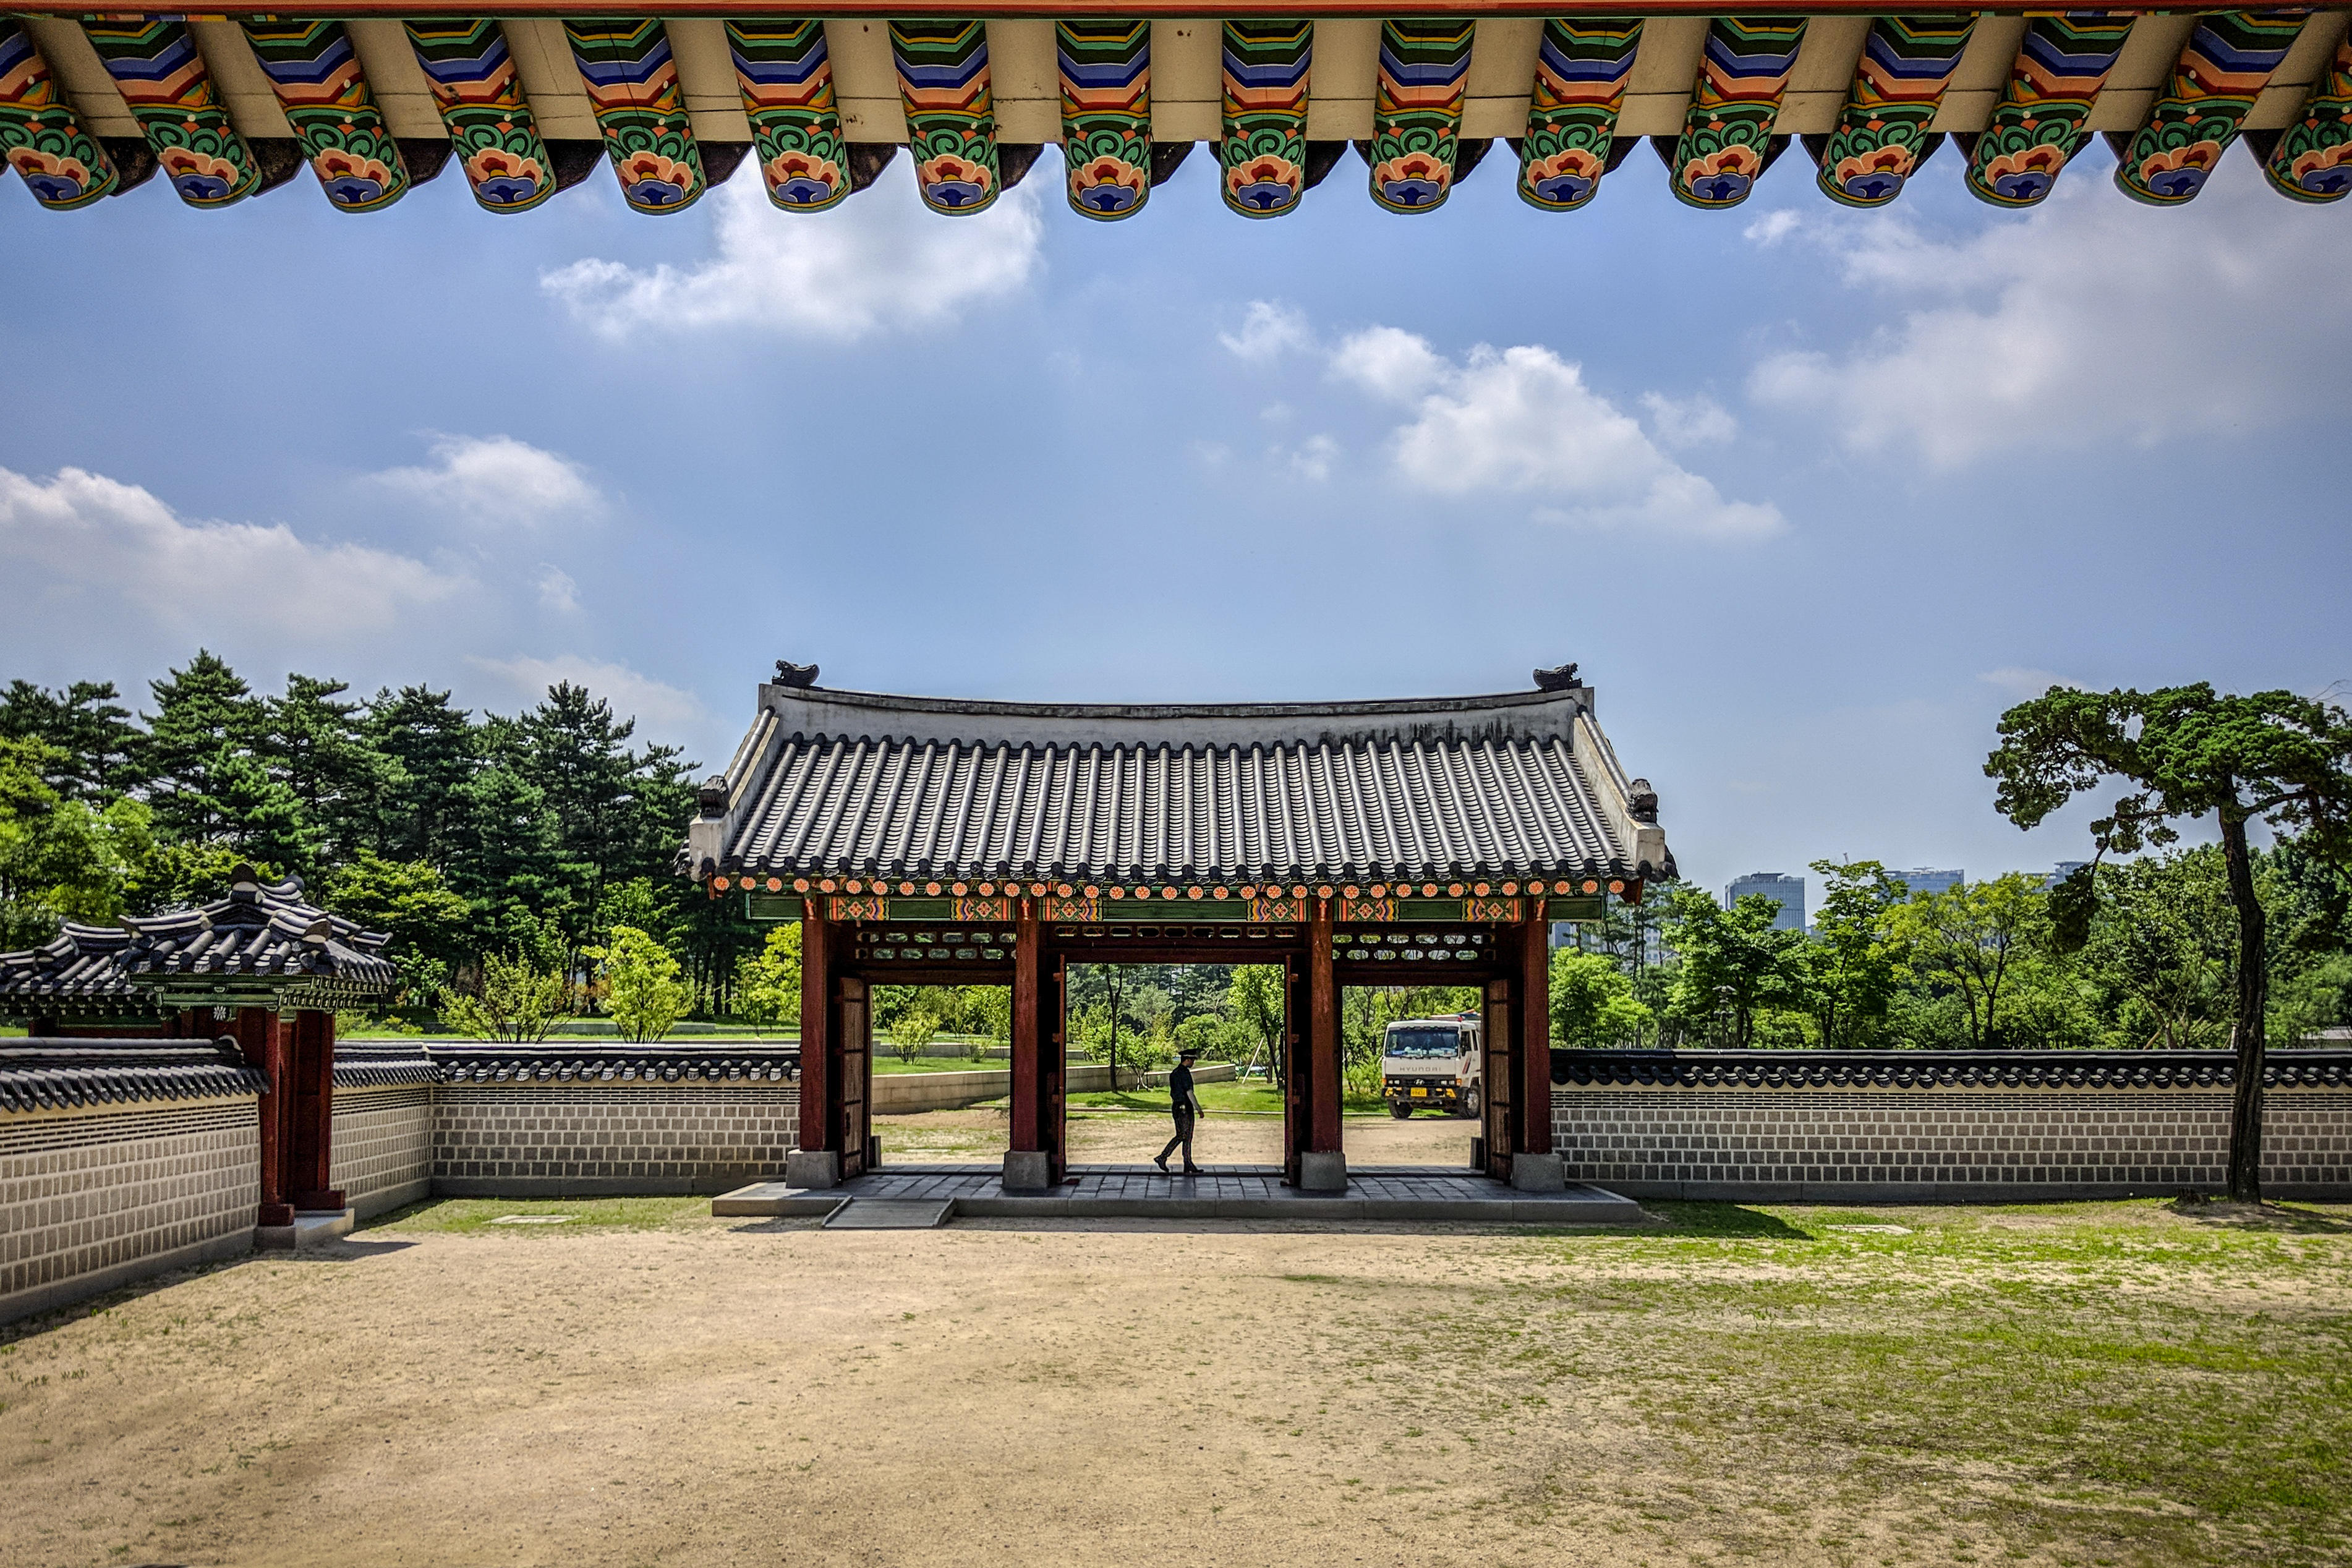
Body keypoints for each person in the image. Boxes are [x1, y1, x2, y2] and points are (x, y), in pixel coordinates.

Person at [1154, 1048, 1206, 1175]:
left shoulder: (1175, 1073)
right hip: (1185, 1109)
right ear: (1187, 1060)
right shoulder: (1185, 1074)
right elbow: (1189, 1093)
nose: (1193, 1063)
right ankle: (1163, 1157)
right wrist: (1198, 1108)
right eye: (1192, 1060)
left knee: (1184, 1136)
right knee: (1184, 1136)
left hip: (1177, 1107)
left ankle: (1187, 1163)